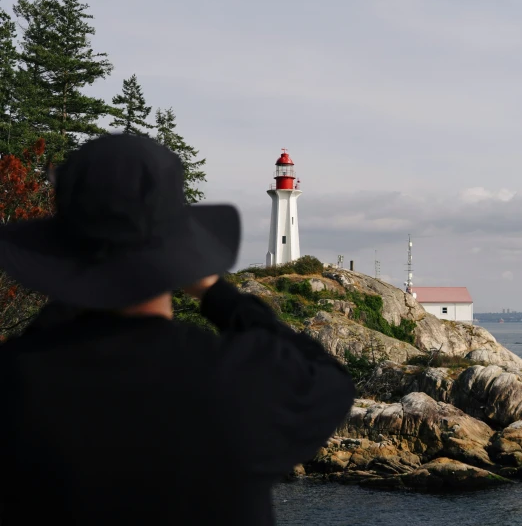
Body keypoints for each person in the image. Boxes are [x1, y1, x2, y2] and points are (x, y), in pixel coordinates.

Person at [0, 134, 355, 525]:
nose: (285, 171)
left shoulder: (15, 382)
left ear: (58, 248)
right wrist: (215, 292)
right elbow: (326, 379)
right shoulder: (234, 382)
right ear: (179, 246)